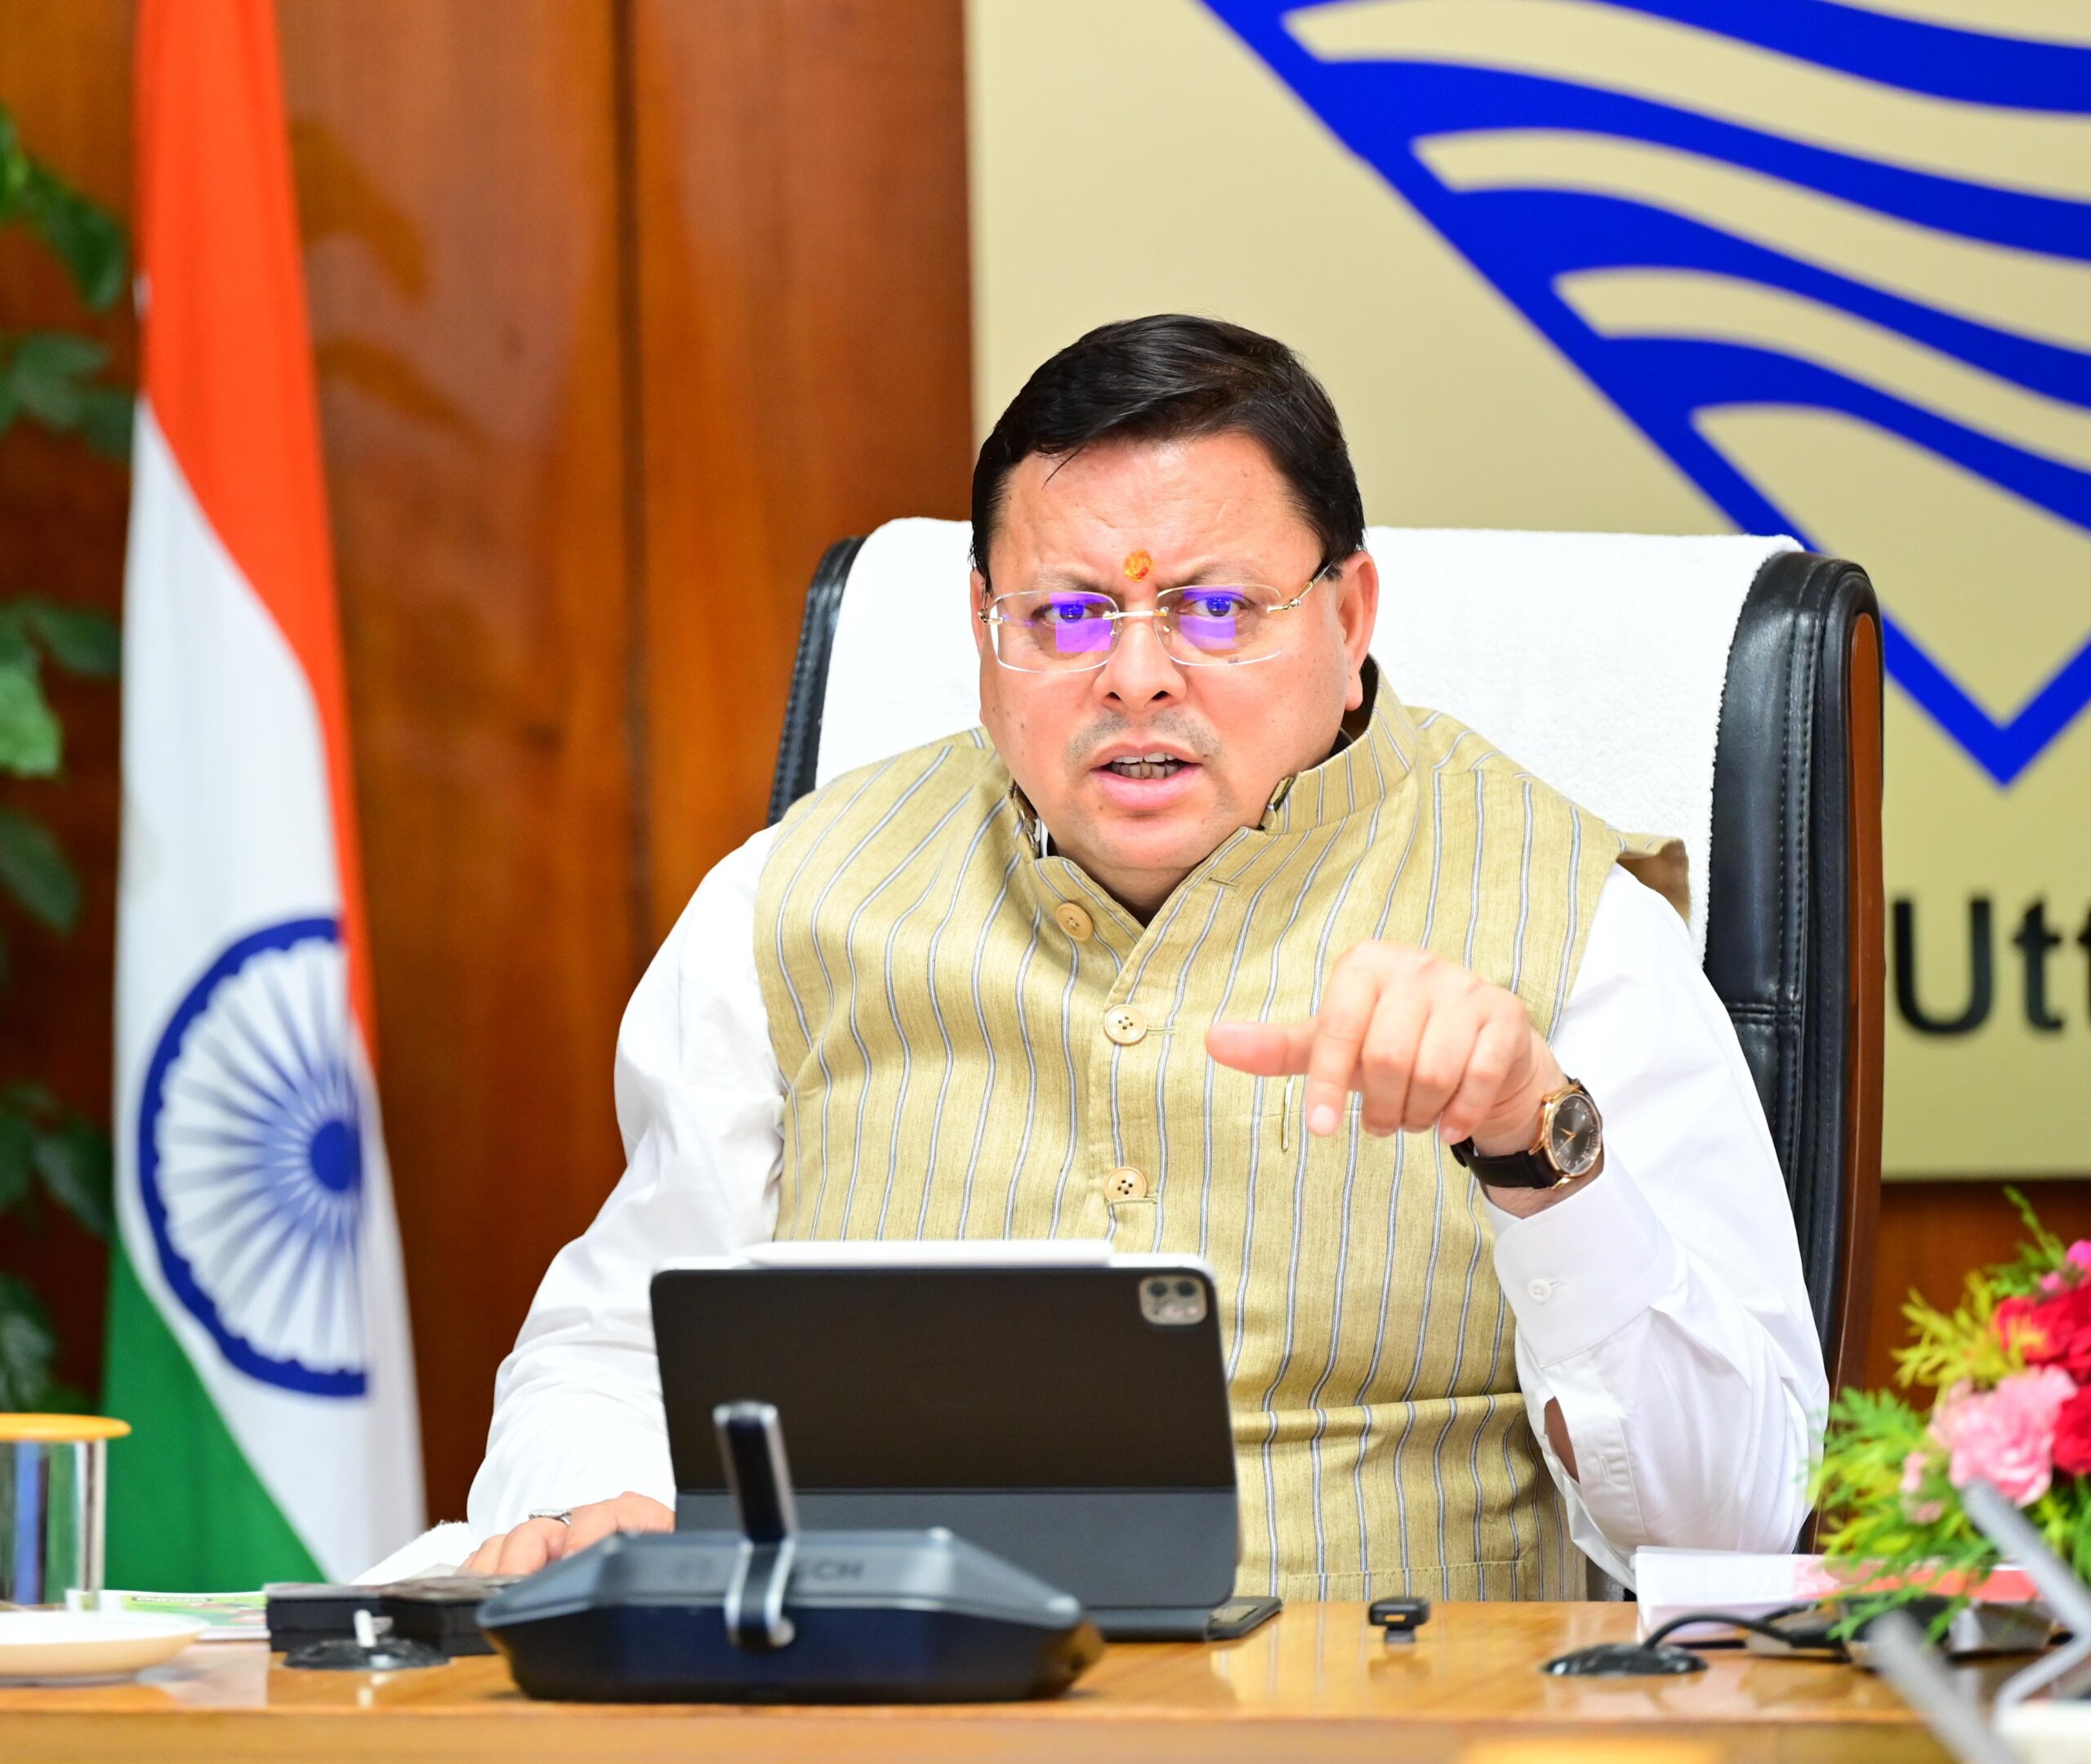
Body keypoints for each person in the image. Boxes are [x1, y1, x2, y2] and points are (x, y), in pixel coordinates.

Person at [463, 315, 1826, 1600]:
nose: (1135, 678)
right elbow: (613, 1351)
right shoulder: (785, 906)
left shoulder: (1575, 925)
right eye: (1063, 618)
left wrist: (1539, 1147)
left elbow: (1736, 1524)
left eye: (1216, 610)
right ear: (983, 627)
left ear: (1350, 617)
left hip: (1396, 1719)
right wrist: (605, 1502)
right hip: (897, 1708)